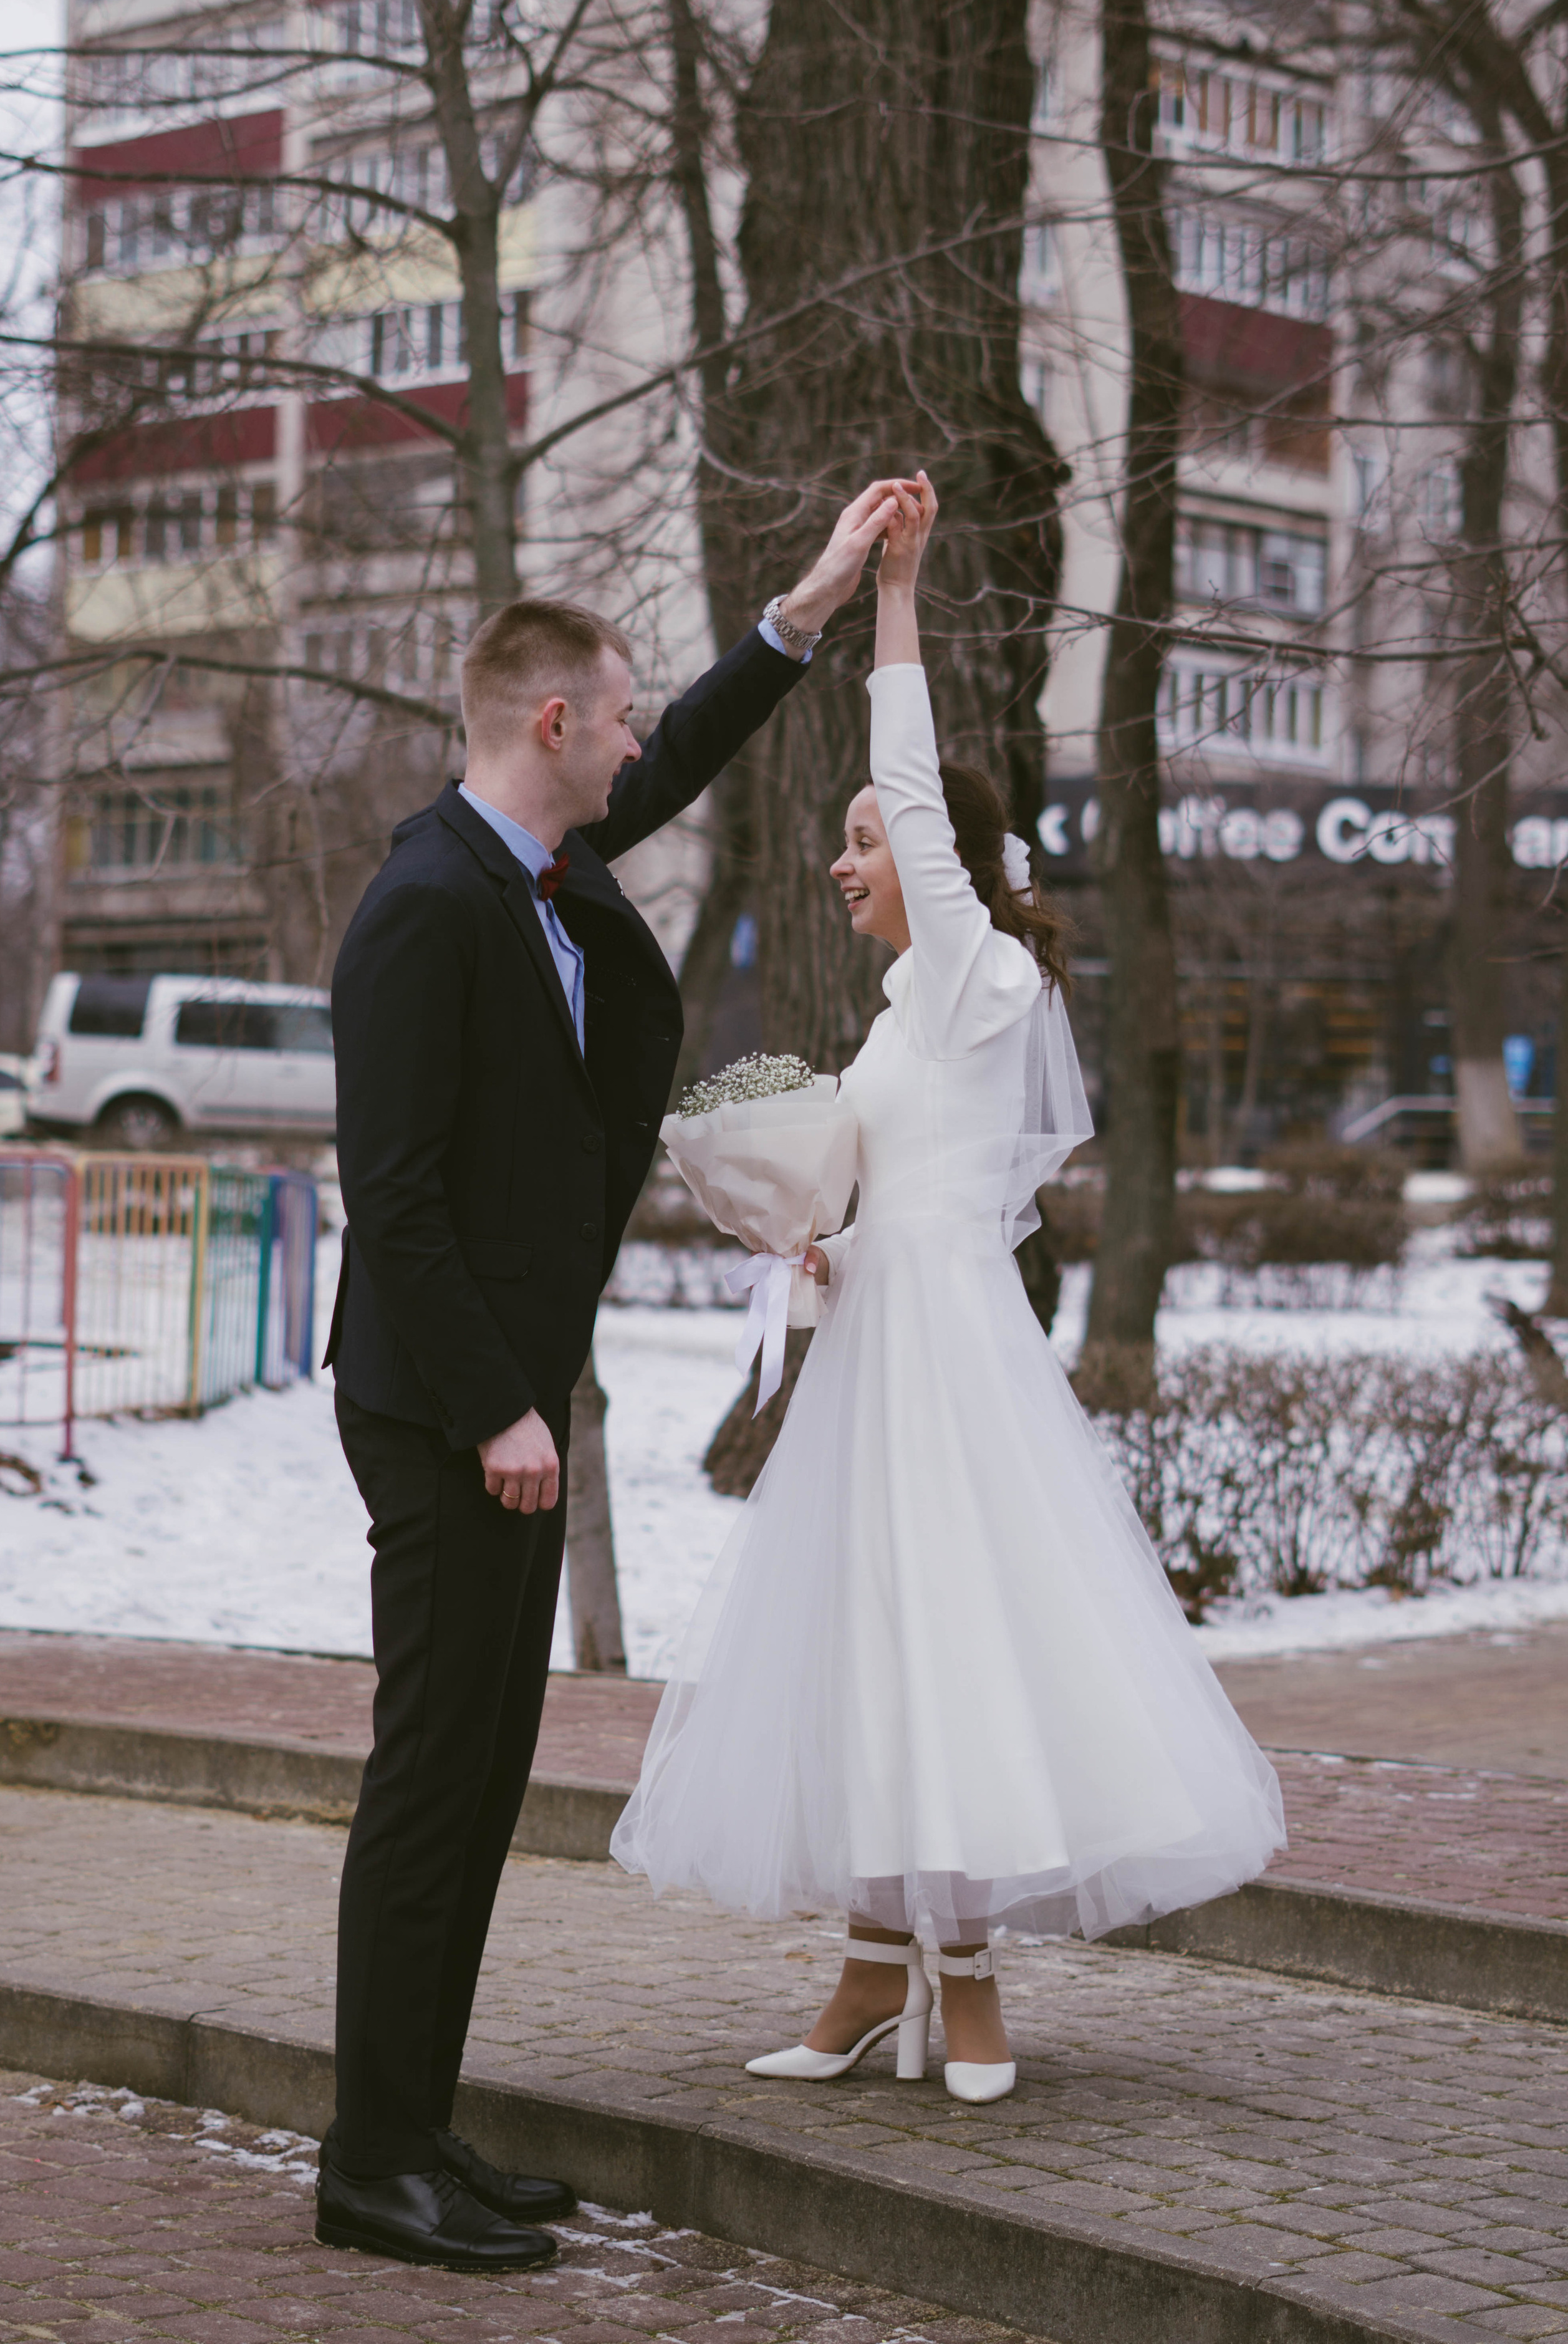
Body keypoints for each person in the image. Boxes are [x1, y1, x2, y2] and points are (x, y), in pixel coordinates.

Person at [612, 475, 1285, 2103]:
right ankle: (862, 1977)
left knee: (958, 1653)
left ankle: (967, 1985)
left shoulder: (982, 977)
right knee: (865, 1653)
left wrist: (893, 592)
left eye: (866, 844)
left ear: (952, 864)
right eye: (848, 843)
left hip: (958, 1380)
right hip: (871, 1363)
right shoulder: (902, 1019)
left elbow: (913, 784)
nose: (850, 863)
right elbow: (889, 1182)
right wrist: (809, 1231)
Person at [318, 482, 907, 2274]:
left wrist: (804, 612)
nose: (640, 738)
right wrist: (506, 1406)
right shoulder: (429, 903)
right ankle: (371, 2165)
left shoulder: (541, 868)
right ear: (553, 722)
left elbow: (679, 769)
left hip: (494, 1389)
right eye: (624, 709)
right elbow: (393, 1198)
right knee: (432, 1779)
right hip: (441, 1407)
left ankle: (418, 2131)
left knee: (485, 1777)